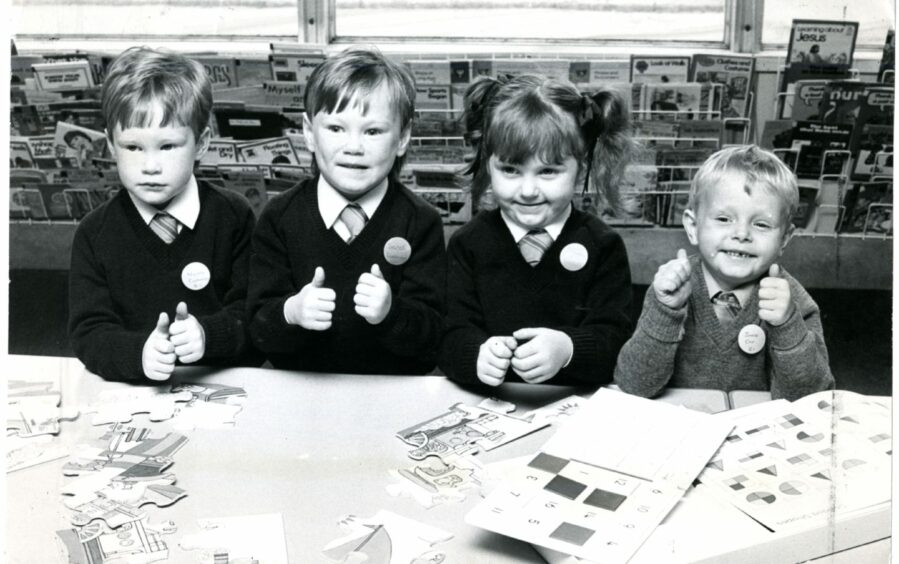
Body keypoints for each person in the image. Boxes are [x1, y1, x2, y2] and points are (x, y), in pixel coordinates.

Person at [247, 47, 445, 374]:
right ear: (309, 133)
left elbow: (434, 339)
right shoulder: (280, 216)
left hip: (393, 393)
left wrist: (390, 314)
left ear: (403, 138)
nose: (353, 147)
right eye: (336, 129)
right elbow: (257, 331)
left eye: (373, 131)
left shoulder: (420, 221)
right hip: (302, 392)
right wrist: (291, 312)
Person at [69, 46, 260, 382]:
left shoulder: (233, 216)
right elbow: (90, 332)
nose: (151, 166)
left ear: (201, 143)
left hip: (222, 386)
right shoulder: (94, 232)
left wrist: (207, 336)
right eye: (133, 147)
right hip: (133, 394)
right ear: (111, 144)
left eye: (168, 146)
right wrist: (138, 353)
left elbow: (254, 316)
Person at [439, 75, 637, 387]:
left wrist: (568, 350)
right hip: (491, 406)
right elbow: (451, 334)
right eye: (510, 170)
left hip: (575, 408)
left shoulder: (603, 246)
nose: (528, 190)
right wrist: (475, 356)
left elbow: (615, 338)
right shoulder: (468, 244)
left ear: (581, 167)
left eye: (547, 171)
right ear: (487, 164)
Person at [614, 145, 834, 401]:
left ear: (784, 238)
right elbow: (634, 385)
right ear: (693, 227)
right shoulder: (670, 289)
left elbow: (813, 398)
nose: (741, 234)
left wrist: (787, 326)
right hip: (682, 424)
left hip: (756, 430)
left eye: (761, 224)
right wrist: (666, 312)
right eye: (723, 219)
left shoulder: (791, 300)